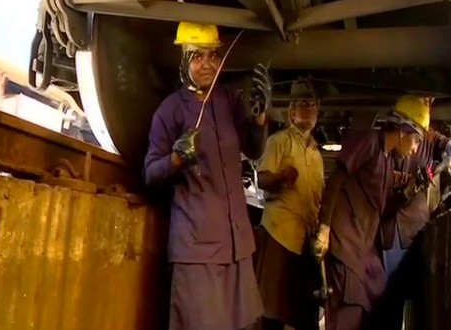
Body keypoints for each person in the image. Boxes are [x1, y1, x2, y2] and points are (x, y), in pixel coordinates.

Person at [143, 21, 272, 330]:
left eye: (213, 56)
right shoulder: (170, 110)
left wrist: (261, 116)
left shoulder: (228, 101)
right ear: (184, 61)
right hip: (198, 250)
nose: (207, 64)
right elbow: (150, 173)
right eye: (197, 56)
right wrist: (176, 158)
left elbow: (254, 149)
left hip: (237, 245)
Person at [313, 95, 431, 330]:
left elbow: (384, 212)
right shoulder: (369, 142)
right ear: (402, 131)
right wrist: (323, 230)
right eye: (416, 140)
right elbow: (336, 180)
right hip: (344, 242)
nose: (415, 148)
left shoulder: (387, 162)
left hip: (363, 247)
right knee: (349, 309)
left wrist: (408, 192)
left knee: (379, 297)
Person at [374, 104, 451, 330]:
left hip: (416, 230)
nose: (415, 147)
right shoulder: (389, 141)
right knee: (390, 297)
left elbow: (450, 148)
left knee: (417, 295)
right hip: (390, 231)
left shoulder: (427, 136)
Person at [254, 80, 325, 330]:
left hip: (305, 238)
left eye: (313, 105)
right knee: (272, 310)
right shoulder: (279, 141)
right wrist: (281, 178)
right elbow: (262, 179)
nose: (309, 109)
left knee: (303, 310)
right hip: (279, 234)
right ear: (291, 112)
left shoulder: (316, 153)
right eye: (302, 104)